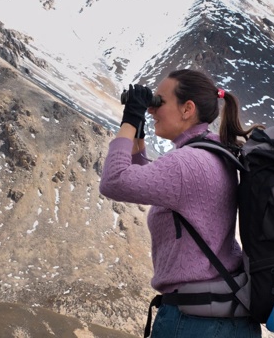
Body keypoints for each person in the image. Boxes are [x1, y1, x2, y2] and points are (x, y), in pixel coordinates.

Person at [99, 69, 263, 338]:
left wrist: (129, 121)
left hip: (194, 323)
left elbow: (113, 181)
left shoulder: (187, 163)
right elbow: (152, 184)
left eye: (158, 102)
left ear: (187, 109)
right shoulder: (215, 151)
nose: (152, 110)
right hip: (225, 316)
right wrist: (138, 136)